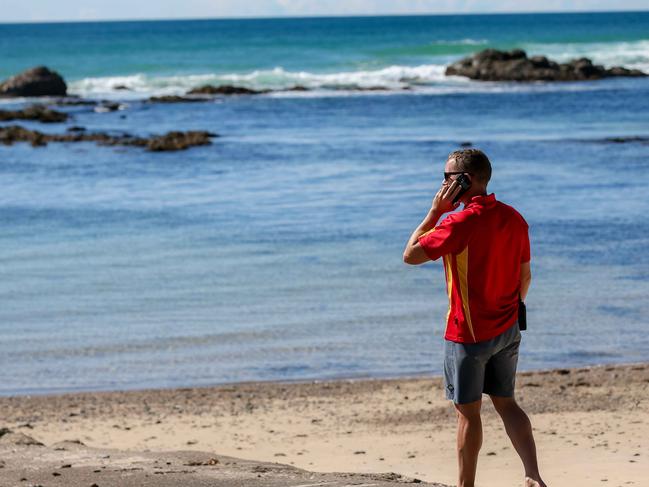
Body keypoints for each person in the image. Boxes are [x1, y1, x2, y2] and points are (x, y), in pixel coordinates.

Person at [402, 149, 547, 487]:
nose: (442, 183)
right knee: (507, 403)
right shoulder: (514, 217)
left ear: (464, 181)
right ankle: (533, 475)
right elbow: (525, 277)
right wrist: (509, 312)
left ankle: (465, 485)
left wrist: (435, 212)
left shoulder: (458, 222)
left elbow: (410, 255)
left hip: (467, 334)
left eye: (447, 178)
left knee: (467, 414)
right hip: (508, 328)